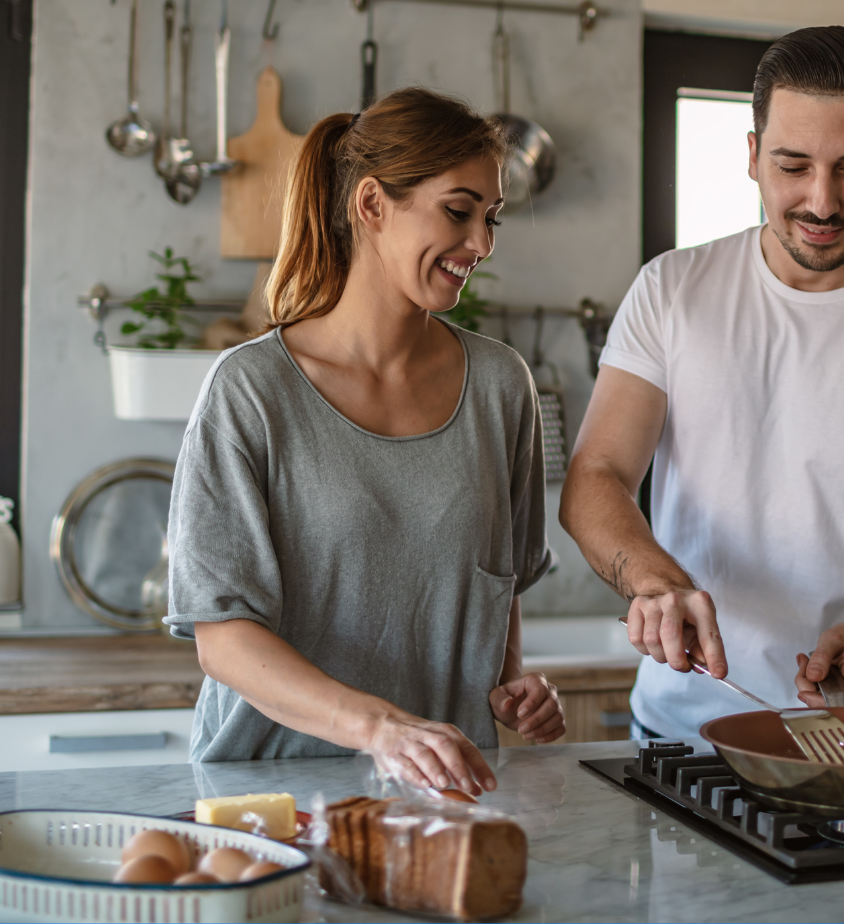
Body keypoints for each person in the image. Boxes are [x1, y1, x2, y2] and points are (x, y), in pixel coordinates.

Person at [561, 26, 844, 740]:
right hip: (684, 733)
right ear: (751, 157)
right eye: (793, 165)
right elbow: (596, 474)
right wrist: (656, 584)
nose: (821, 200)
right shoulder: (672, 292)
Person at [166, 87, 562, 794]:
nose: (482, 243)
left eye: (492, 217)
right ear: (373, 204)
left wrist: (509, 681)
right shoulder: (251, 391)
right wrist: (380, 729)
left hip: (443, 791)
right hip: (270, 796)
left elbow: (497, 584)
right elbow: (223, 639)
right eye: (459, 210)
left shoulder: (503, 386)